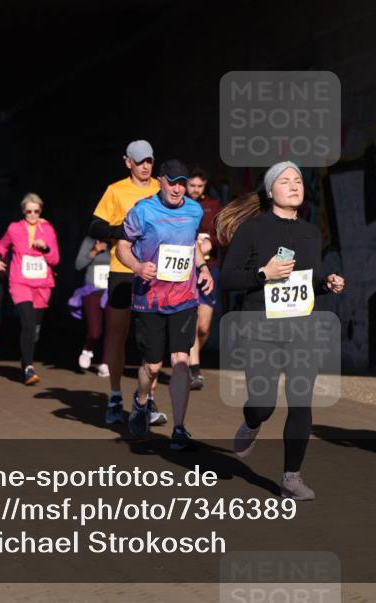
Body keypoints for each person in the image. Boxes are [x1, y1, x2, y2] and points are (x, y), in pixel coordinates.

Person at [218, 161, 345, 500]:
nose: (294, 185)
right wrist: (264, 273)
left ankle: (291, 478)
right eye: (285, 180)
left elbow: (306, 282)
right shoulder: (252, 230)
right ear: (271, 190)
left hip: (302, 329)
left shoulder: (311, 232)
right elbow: (227, 279)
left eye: (298, 180)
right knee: (263, 404)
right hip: (259, 328)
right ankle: (252, 422)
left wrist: (326, 284)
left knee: (301, 402)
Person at [116, 159, 212, 450]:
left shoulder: (194, 210)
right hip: (150, 299)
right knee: (154, 366)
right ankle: (141, 400)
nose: (178, 189)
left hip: (184, 298)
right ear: (160, 181)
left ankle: (179, 428)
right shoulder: (143, 211)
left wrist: (203, 268)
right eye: (173, 183)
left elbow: (192, 244)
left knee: (181, 360)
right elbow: (122, 247)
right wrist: (137, 266)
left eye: (182, 183)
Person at [89, 140, 162, 425]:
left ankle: (148, 398)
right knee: (118, 333)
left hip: (155, 272)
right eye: (139, 161)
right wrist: (123, 230)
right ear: (127, 162)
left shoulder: (161, 188)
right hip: (122, 270)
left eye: (149, 161)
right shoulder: (115, 190)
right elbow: (95, 226)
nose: (145, 166)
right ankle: (115, 394)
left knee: (152, 338)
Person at [0, 193, 60, 385]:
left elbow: (56, 259)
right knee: (28, 323)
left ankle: (25, 360)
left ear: (40, 211)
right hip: (20, 282)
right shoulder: (14, 228)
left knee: (35, 329)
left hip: (42, 284)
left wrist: (45, 248)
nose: (32, 215)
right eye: (29, 211)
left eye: (36, 211)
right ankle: (29, 368)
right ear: (23, 211)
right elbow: (2, 246)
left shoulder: (48, 229)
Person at [186, 166, 223, 390]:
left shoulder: (214, 206)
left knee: (203, 326)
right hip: (186, 270)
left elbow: (226, 232)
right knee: (191, 319)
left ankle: (191, 356)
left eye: (200, 186)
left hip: (210, 268)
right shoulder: (178, 205)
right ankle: (194, 369)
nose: (195, 190)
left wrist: (213, 242)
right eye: (192, 185)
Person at [73, 235, 111, 376]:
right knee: (95, 331)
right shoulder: (90, 240)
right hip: (92, 290)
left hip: (111, 291)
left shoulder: (119, 241)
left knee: (112, 329)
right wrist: (94, 251)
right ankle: (88, 349)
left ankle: (105, 362)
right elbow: (78, 265)